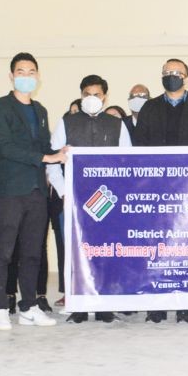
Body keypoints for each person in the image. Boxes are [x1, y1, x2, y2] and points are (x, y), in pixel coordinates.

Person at [0, 53, 65, 331]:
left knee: (33, 252)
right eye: (21, 71)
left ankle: (29, 306)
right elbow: (5, 148)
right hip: (9, 190)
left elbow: (45, 146)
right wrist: (47, 159)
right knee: (5, 250)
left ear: (38, 77)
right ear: (11, 76)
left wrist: (63, 153)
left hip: (36, 192)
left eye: (32, 72)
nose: (27, 76)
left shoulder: (40, 110)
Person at [134, 58, 188, 323]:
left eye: (177, 73)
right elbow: (139, 147)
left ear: (187, 78)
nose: (172, 76)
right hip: (156, 188)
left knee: (185, 246)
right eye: (167, 73)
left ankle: (183, 302)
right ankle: (156, 303)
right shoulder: (149, 107)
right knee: (156, 245)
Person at [48, 74, 131, 324]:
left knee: (106, 251)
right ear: (81, 96)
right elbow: (53, 160)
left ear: (105, 97)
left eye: (97, 94)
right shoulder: (66, 123)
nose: (91, 99)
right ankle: (79, 306)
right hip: (75, 200)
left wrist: (119, 193)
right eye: (87, 94)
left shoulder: (117, 125)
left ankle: (105, 305)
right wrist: (63, 192)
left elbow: (126, 162)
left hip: (108, 200)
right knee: (75, 252)